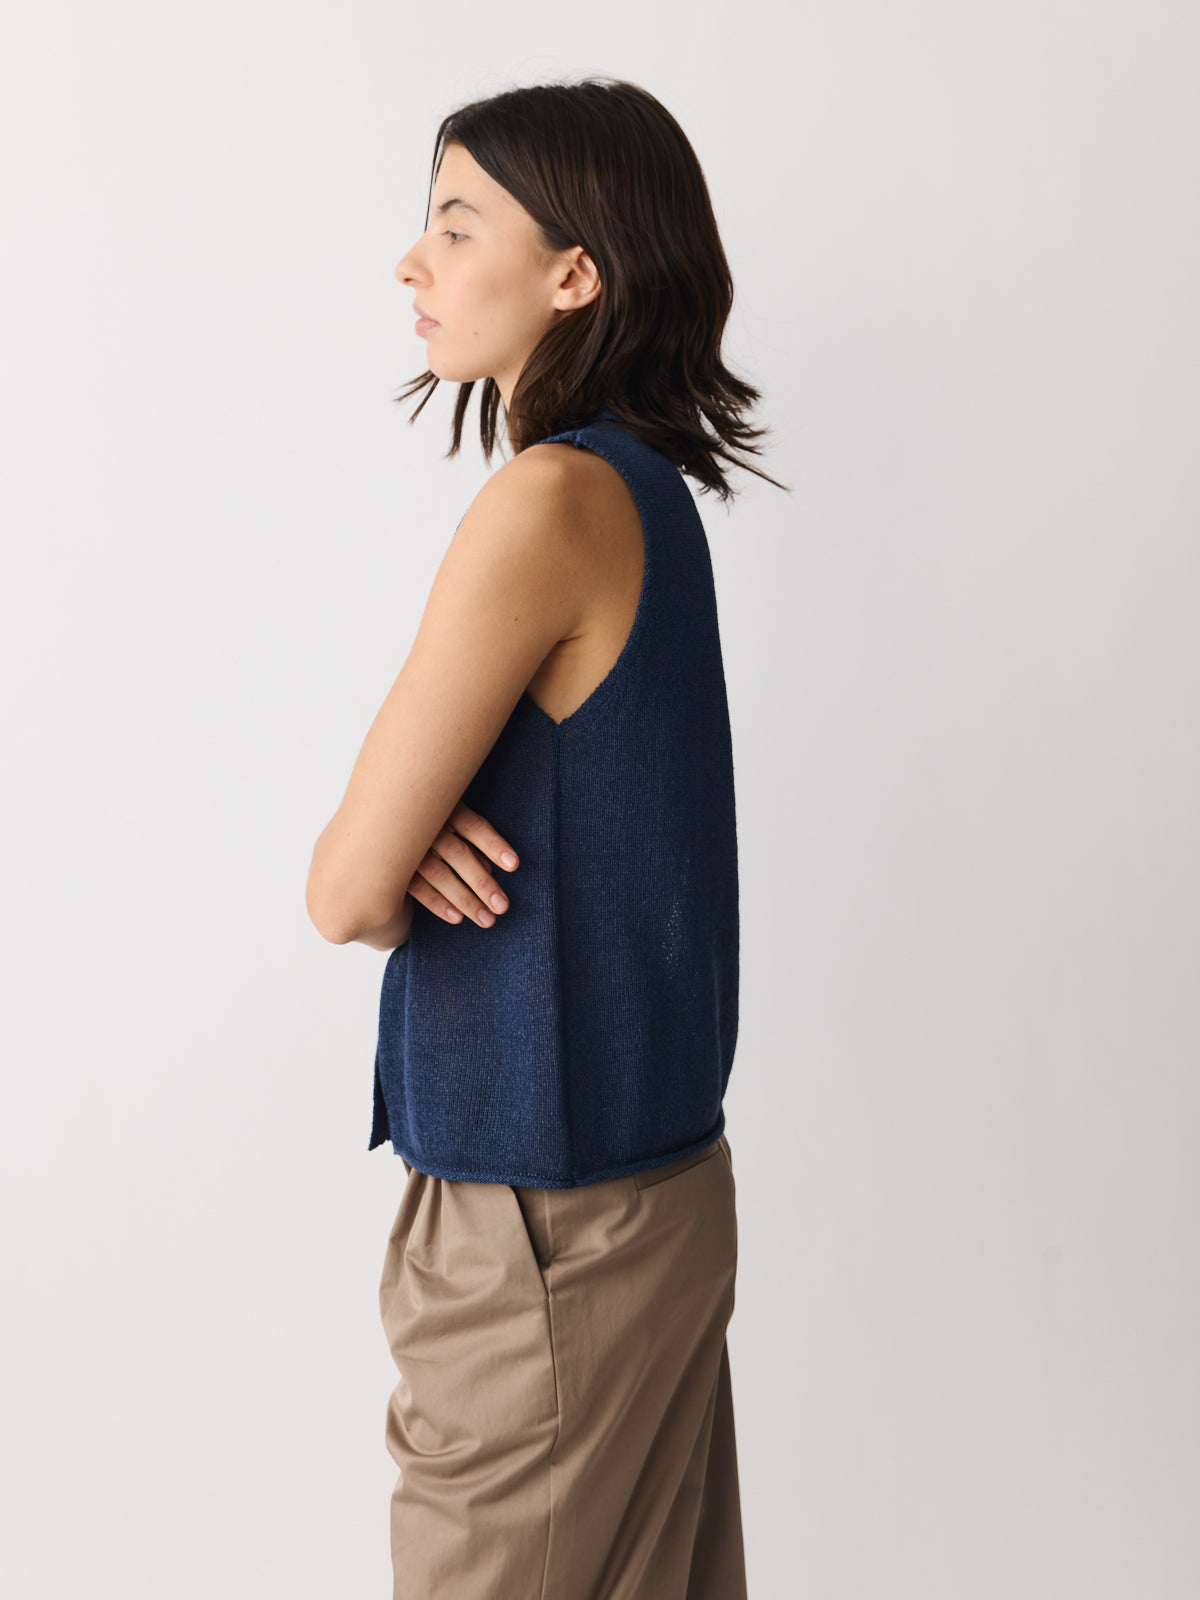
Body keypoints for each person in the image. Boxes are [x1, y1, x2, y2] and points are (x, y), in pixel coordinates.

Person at [306, 76, 787, 1600]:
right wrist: (415, 842)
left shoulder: (547, 505)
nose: (415, 261)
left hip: (540, 1233)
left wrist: (398, 855)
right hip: (652, 1194)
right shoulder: (647, 498)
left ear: (575, 273)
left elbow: (342, 890)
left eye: (457, 227)